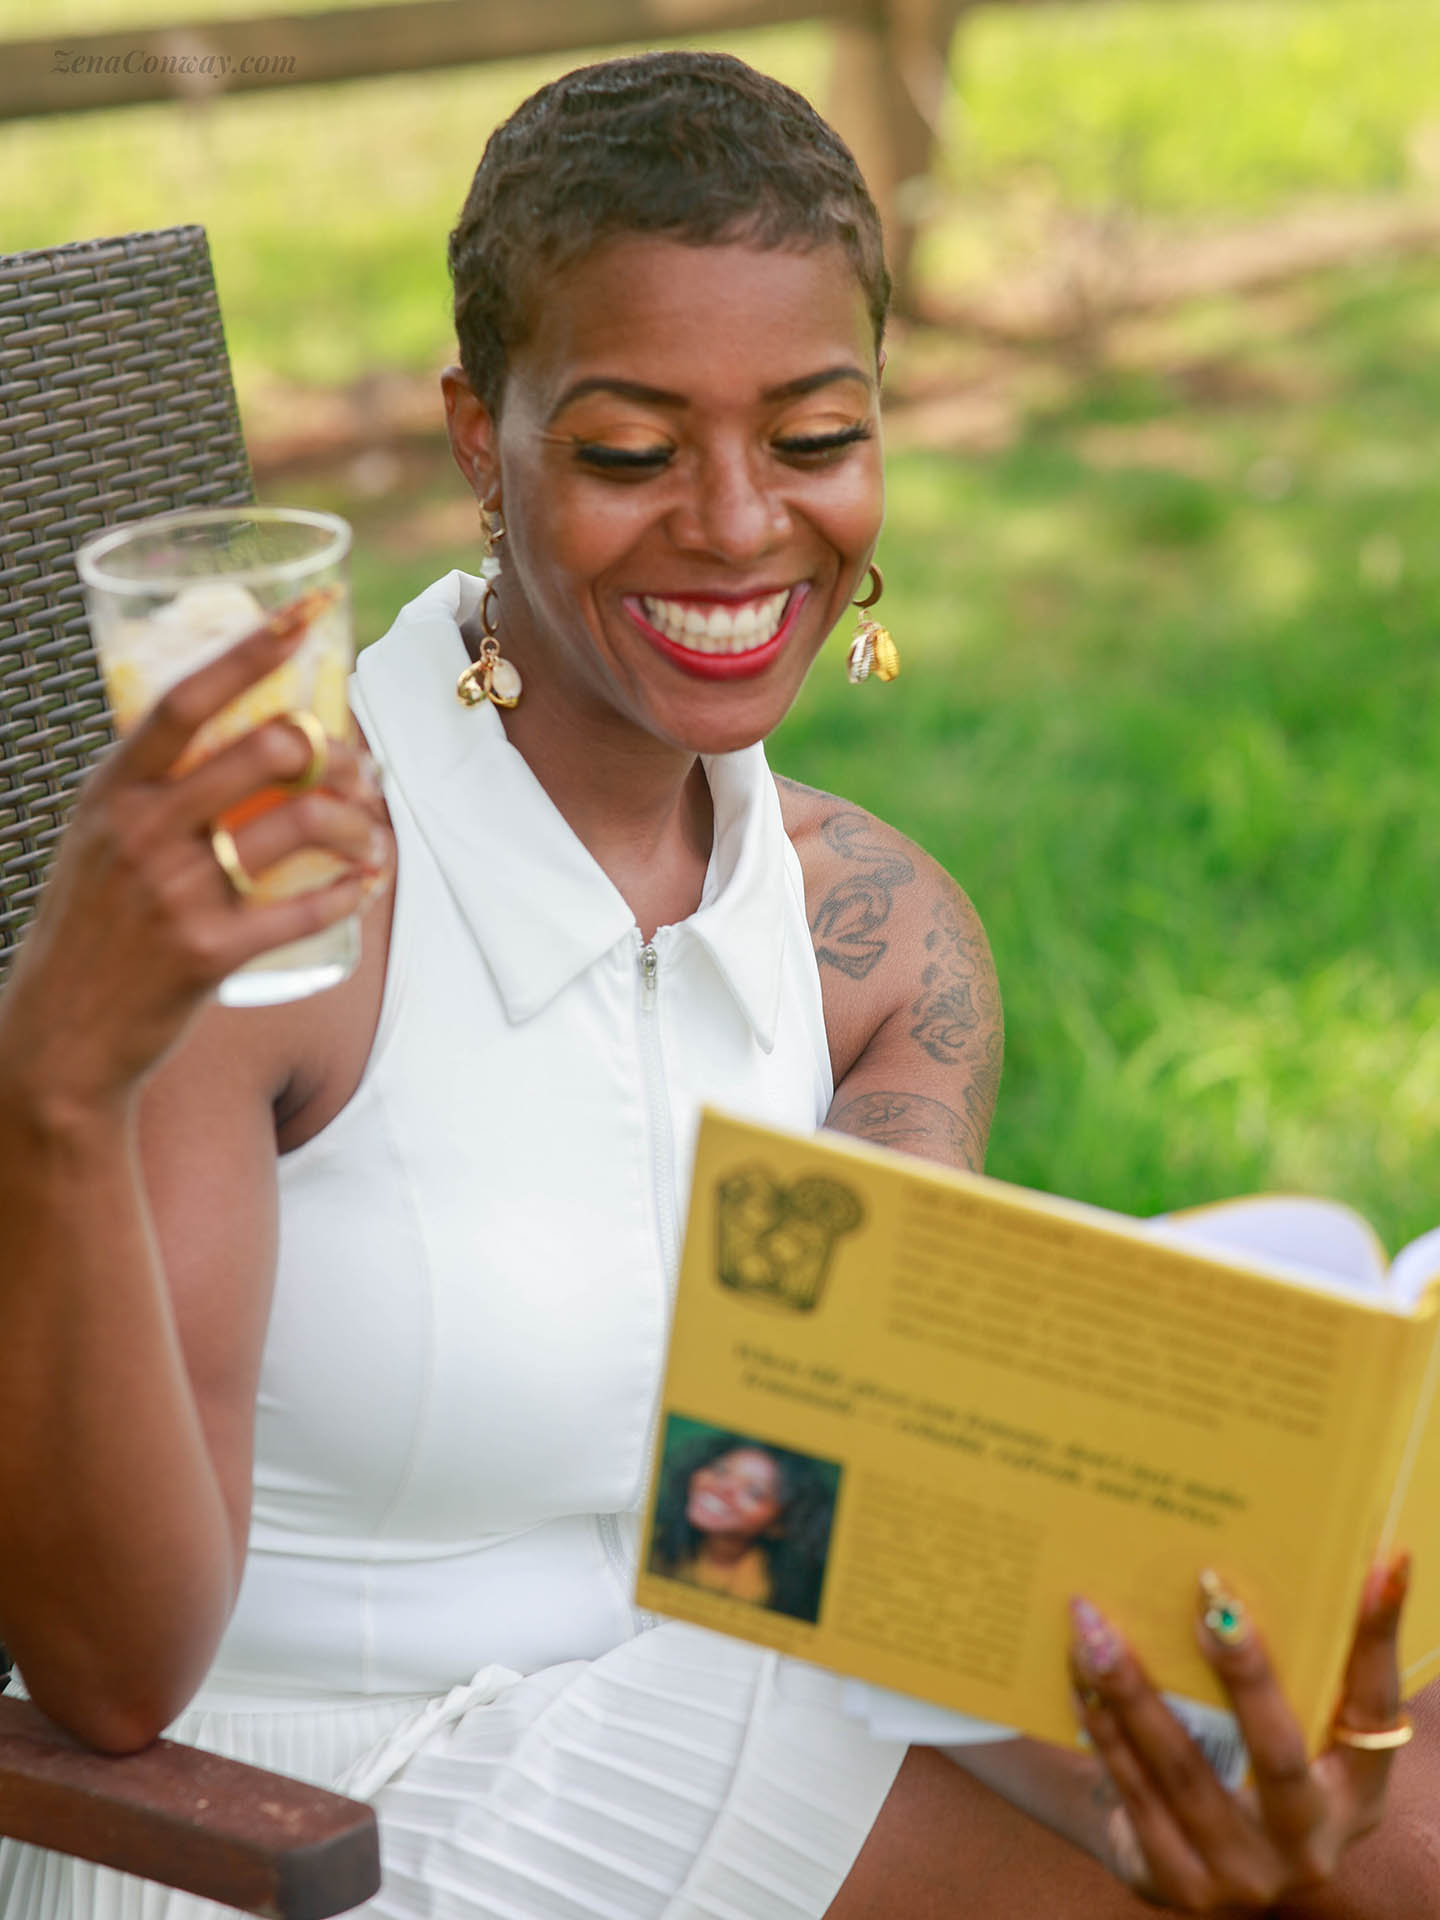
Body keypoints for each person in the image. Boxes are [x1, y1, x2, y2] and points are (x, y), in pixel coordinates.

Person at [0, 48, 1416, 1920]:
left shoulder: (877, 941)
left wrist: (1165, 1758)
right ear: (476, 439)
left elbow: (846, 1524)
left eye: (815, 441)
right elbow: (110, 1683)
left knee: (1363, 1787)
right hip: (299, 1823)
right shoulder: (283, 915)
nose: (741, 525)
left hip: (700, 1697)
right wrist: (53, 1087)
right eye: (628, 452)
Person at [649, 1429, 838, 1621]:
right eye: (720, 1470)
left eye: (754, 1492)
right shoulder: (654, 1539)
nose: (723, 1486)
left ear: (780, 1525)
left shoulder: (768, 1599)